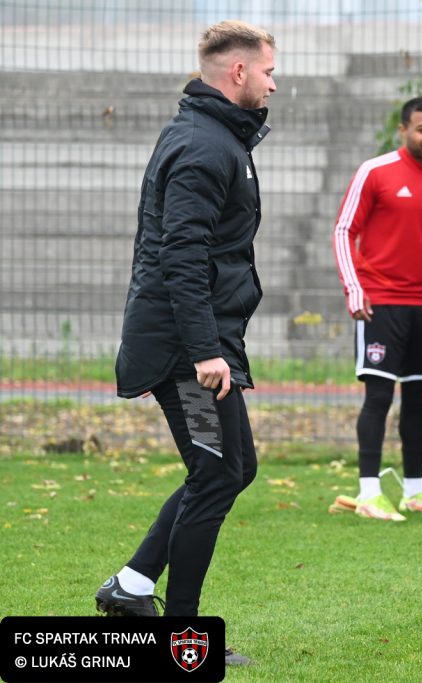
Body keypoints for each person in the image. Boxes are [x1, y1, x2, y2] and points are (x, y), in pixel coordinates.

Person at [95, 20, 277, 666]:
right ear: (238, 72)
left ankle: (130, 586)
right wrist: (204, 352)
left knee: (231, 469)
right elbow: (182, 255)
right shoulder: (204, 144)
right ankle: (181, 642)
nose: (273, 84)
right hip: (185, 350)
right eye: (268, 72)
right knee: (217, 473)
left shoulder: (217, 135)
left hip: (199, 338)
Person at [328, 97, 422, 522]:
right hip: (379, 305)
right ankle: (369, 493)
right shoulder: (375, 172)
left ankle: (414, 491)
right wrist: (354, 289)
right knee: (378, 396)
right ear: (404, 130)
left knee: (418, 400)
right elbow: (344, 231)